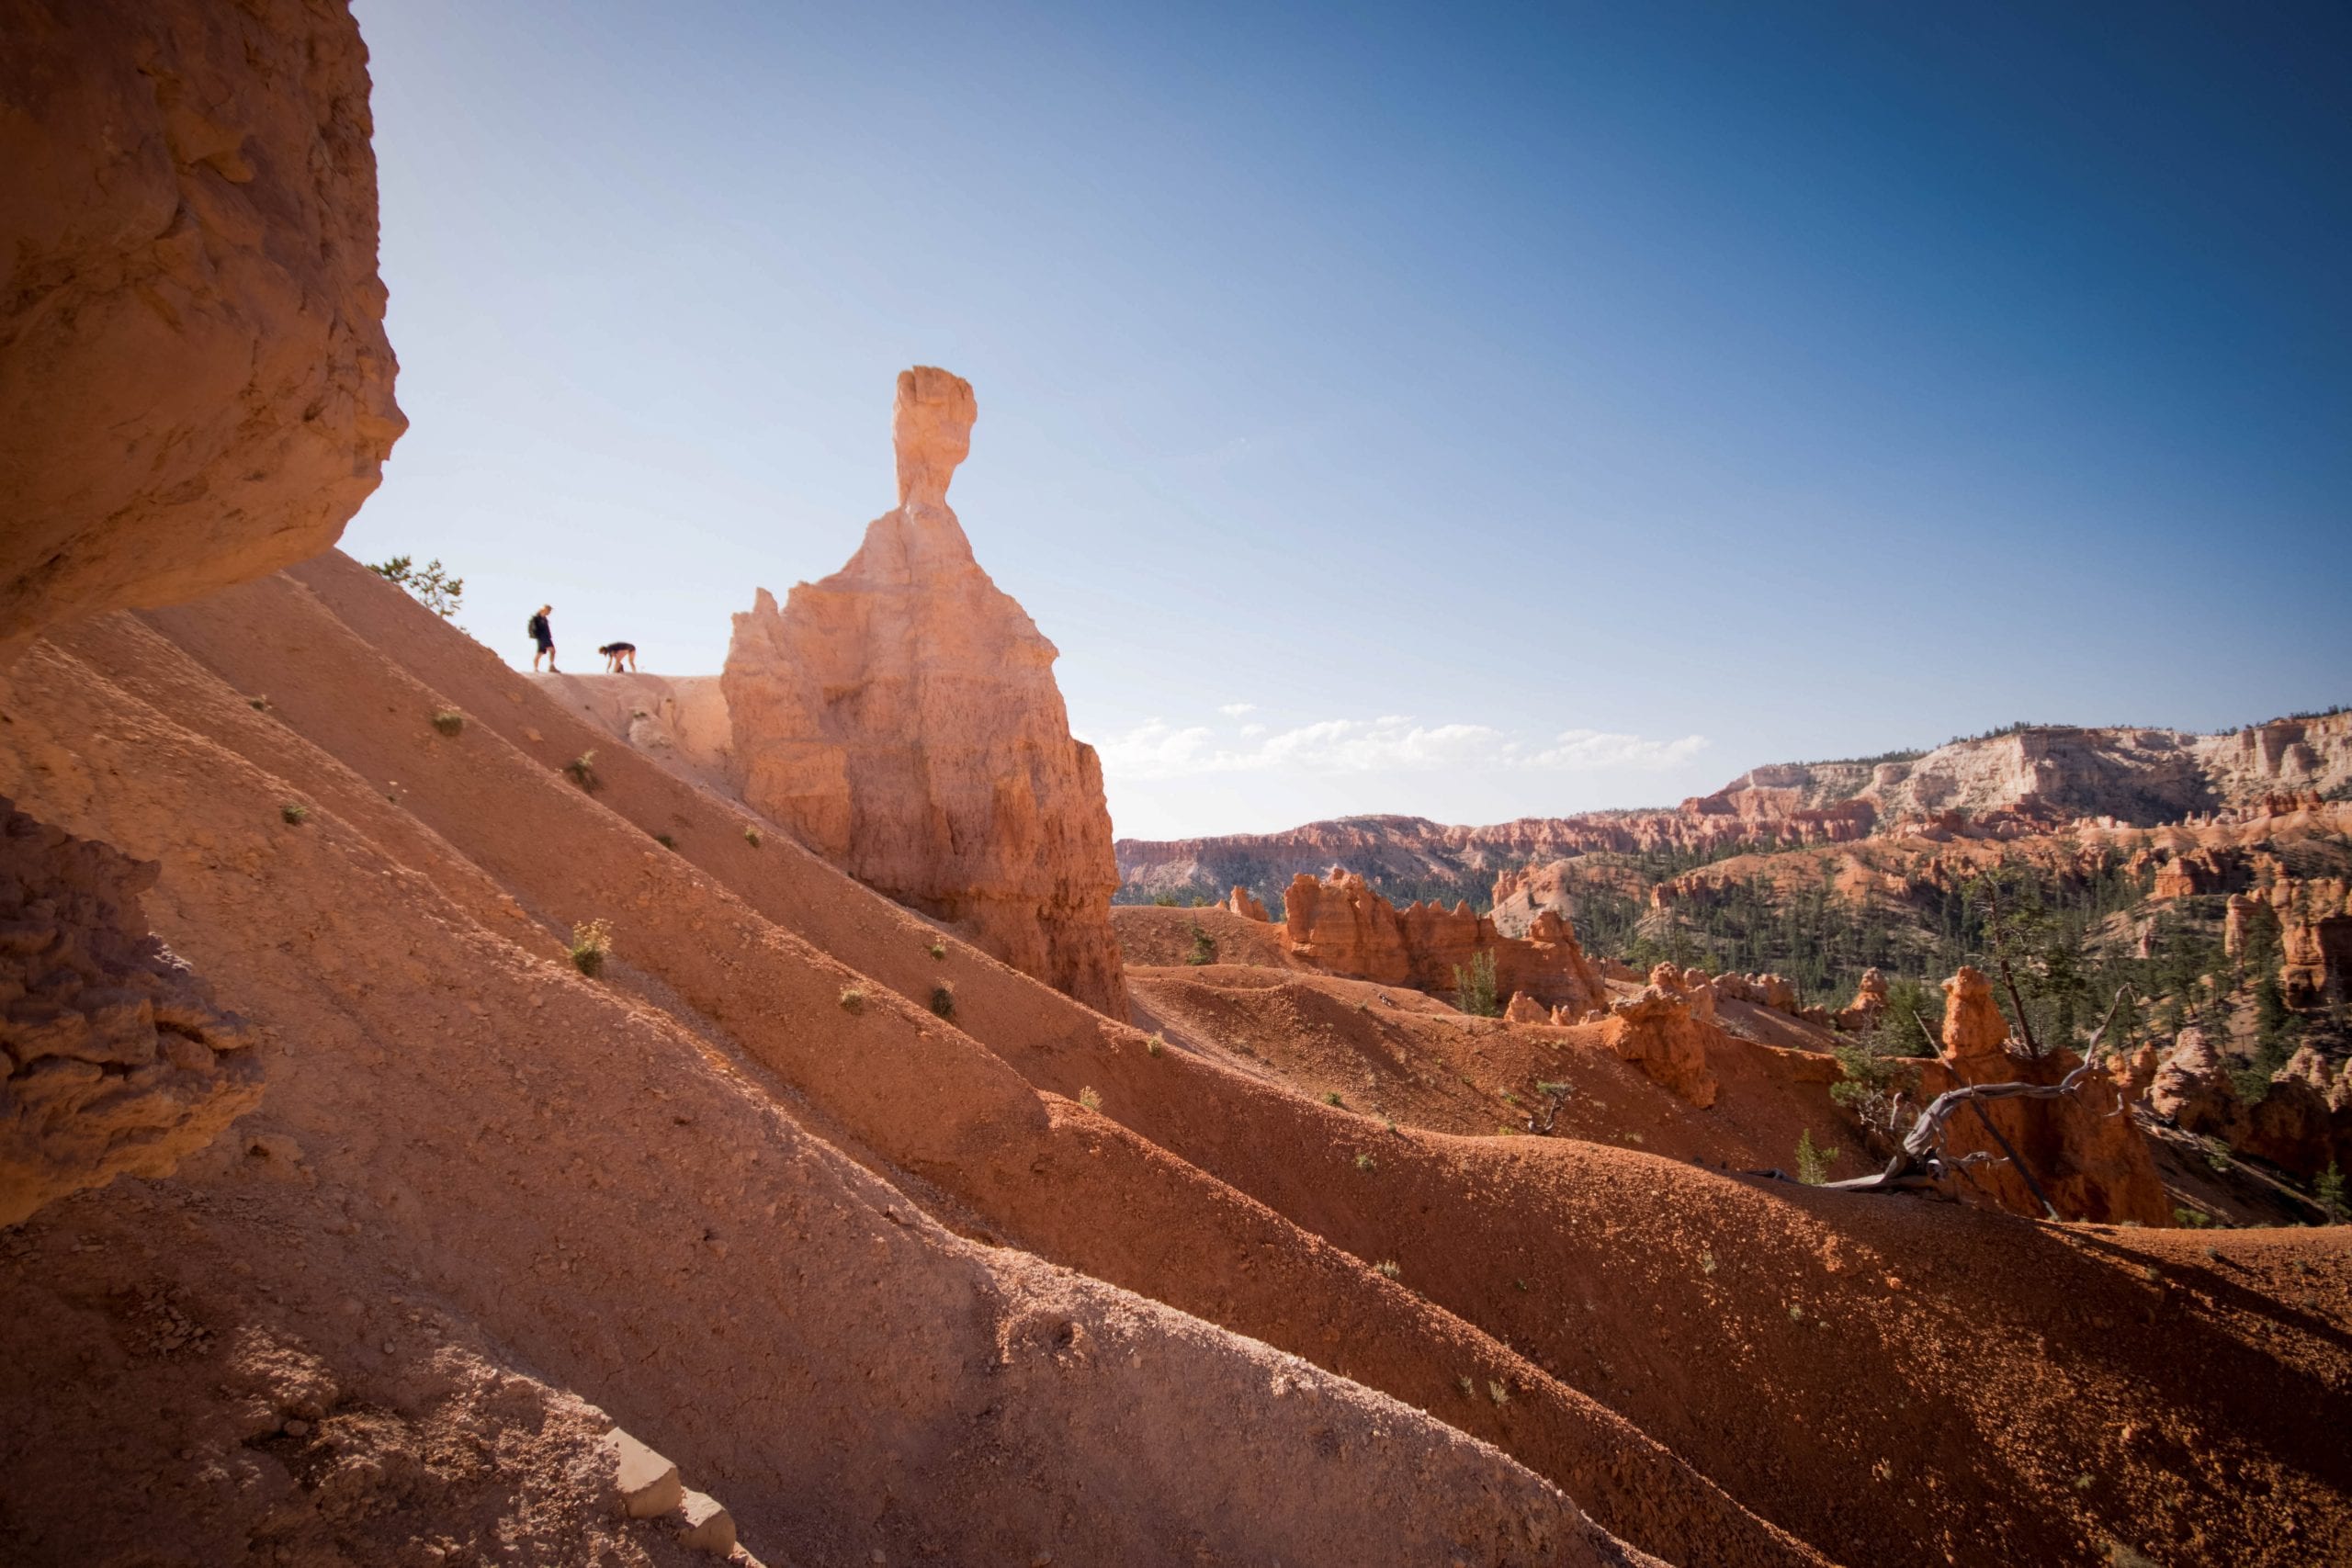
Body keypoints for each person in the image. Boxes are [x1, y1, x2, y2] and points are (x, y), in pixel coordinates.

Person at [527, 604, 556, 672]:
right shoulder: (537, 618)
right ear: (545, 609)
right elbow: (534, 628)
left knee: (540, 653)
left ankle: (535, 669)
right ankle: (551, 666)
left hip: (545, 637)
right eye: (549, 610)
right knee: (552, 650)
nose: (549, 612)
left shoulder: (544, 618)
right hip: (542, 638)